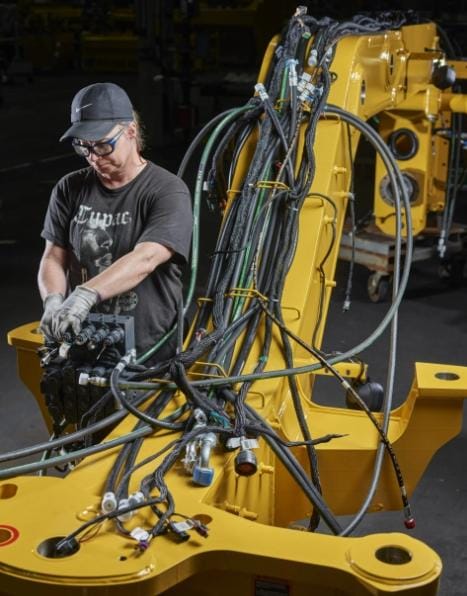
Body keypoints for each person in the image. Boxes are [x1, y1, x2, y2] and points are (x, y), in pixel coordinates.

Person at [38, 82, 193, 362]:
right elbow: (54, 257)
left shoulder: (167, 190)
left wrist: (85, 295)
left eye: (102, 145)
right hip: (87, 343)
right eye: (83, 147)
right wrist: (53, 300)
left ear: (130, 132)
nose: (94, 157)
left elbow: (146, 257)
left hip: (151, 351)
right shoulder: (69, 188)